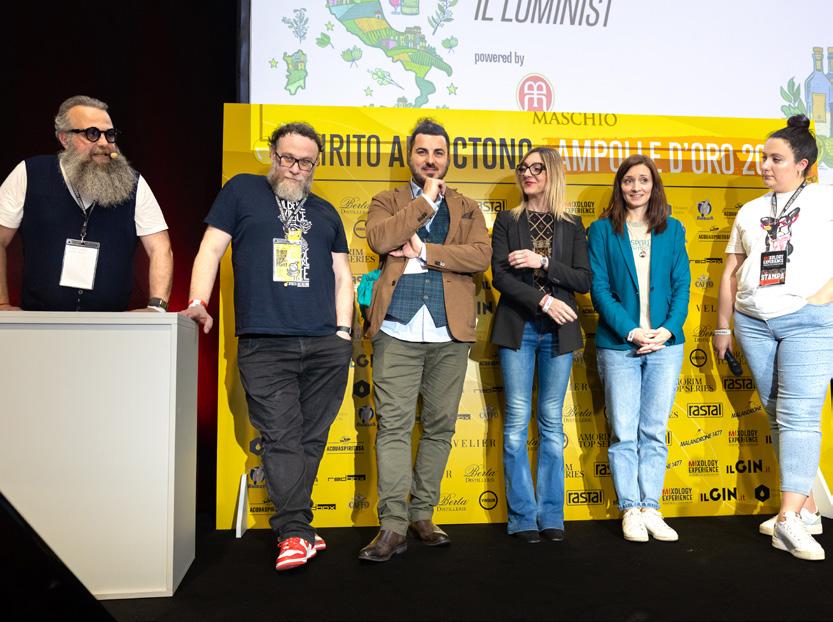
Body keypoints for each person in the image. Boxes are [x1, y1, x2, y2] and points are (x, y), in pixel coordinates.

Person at [182, 122, 354, 571]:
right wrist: (198, 301)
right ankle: (294, 531)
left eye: (305, 162)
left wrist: (343, 332)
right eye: (287, 158)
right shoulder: (241, 191)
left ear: (315, 165)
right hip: (265, 342)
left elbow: (343, 276)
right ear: (273, 155)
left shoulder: (326, 212)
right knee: (281, 437)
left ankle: (299, 527)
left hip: (325, 344)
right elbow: (210, 250)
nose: (294, 168)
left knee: (311, 438)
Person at [358, 118, 491, 562]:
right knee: (393, 427)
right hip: (395, 329)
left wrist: (424, 252)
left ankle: (422, 515)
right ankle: (393, 525)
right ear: (410, 157)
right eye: (422, 152)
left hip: (448, 332)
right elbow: (380, 238)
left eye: (438, 152)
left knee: (439, 426)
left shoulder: (468, 207)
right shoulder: (388, 200)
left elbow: (481, 256)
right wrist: (425, 203)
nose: (430, 160)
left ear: (448, 157)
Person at [714, 115, 833, 562]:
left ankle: (786, 519)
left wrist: (823, 298)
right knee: (777, 413)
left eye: (775, 159)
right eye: (763, 157)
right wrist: (724, 325)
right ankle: (805, 509)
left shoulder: (825, 199)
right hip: (753, 321)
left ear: (803, 164)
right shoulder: (750, 210)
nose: (764, 165)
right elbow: (730, 270)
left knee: (799, 415)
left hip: (808, 321)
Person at [490, 147, 591, 543]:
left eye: (537, 168)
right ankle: (522, 518)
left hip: (558, 334)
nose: (527, 174)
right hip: (519, 328)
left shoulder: (573, 224)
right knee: (516, 421)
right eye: (523, 168)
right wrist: (544, 301)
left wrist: (543, 262)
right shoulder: (507, 220)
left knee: (551, 422)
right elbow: (501, 277)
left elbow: (583, 280)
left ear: (553, 174)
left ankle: (551, 515)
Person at [588, 154, 690, 543]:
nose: (636, 187)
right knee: (624, 432)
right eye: (629, 180)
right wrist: (632, 331)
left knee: (654, 430)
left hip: (665, 344)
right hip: (620, 345)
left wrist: (667, 330)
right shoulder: (601, 231)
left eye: (643, 180)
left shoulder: (673, 229)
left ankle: (651, 507)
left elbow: (682, 284)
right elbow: (599, 289)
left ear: (654, 185)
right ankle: (630, 508)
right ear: (620, 186)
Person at [0, 95, 172, 312]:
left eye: (109, 134)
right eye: (92, 134)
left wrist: (157, 306)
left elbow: (160, 247)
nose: (104, 143)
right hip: (40, 322)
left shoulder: (133, 183)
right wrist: (2, 304)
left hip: (111, 325)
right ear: (64, 139)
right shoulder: (30, 173)